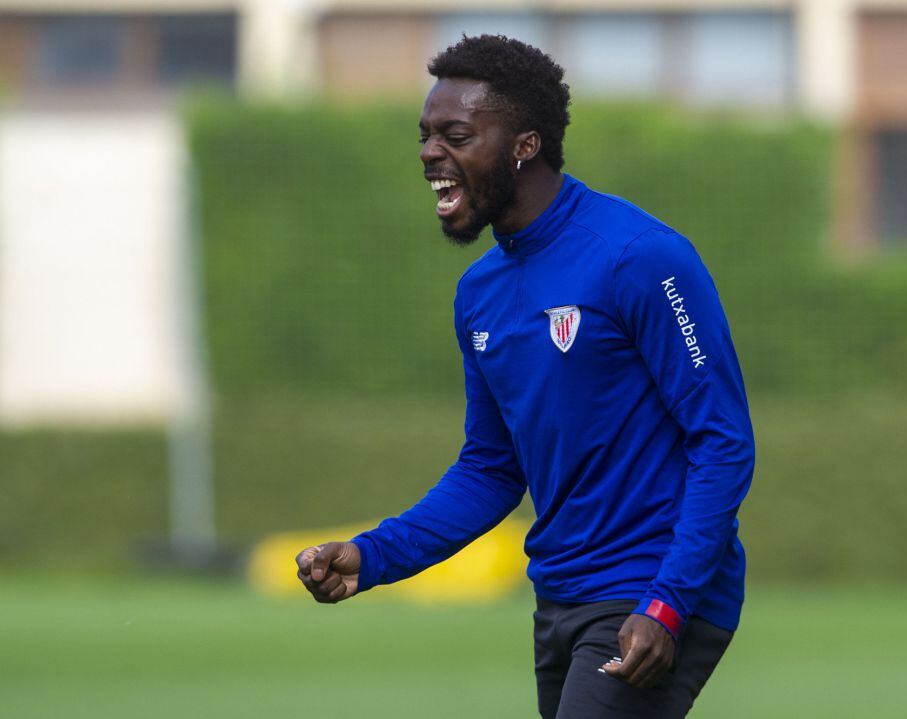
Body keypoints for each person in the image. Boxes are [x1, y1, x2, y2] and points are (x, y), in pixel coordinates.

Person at [295, 34, 755, 719]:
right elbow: (489, 468)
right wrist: (373, 555)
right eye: (425, 135)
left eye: (455, 134)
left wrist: (668, 600)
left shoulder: (640, 257)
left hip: (652, 593)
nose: (429, 153)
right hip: (562, 596)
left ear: (524, 145)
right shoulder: (479, 292)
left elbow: (723, 441)